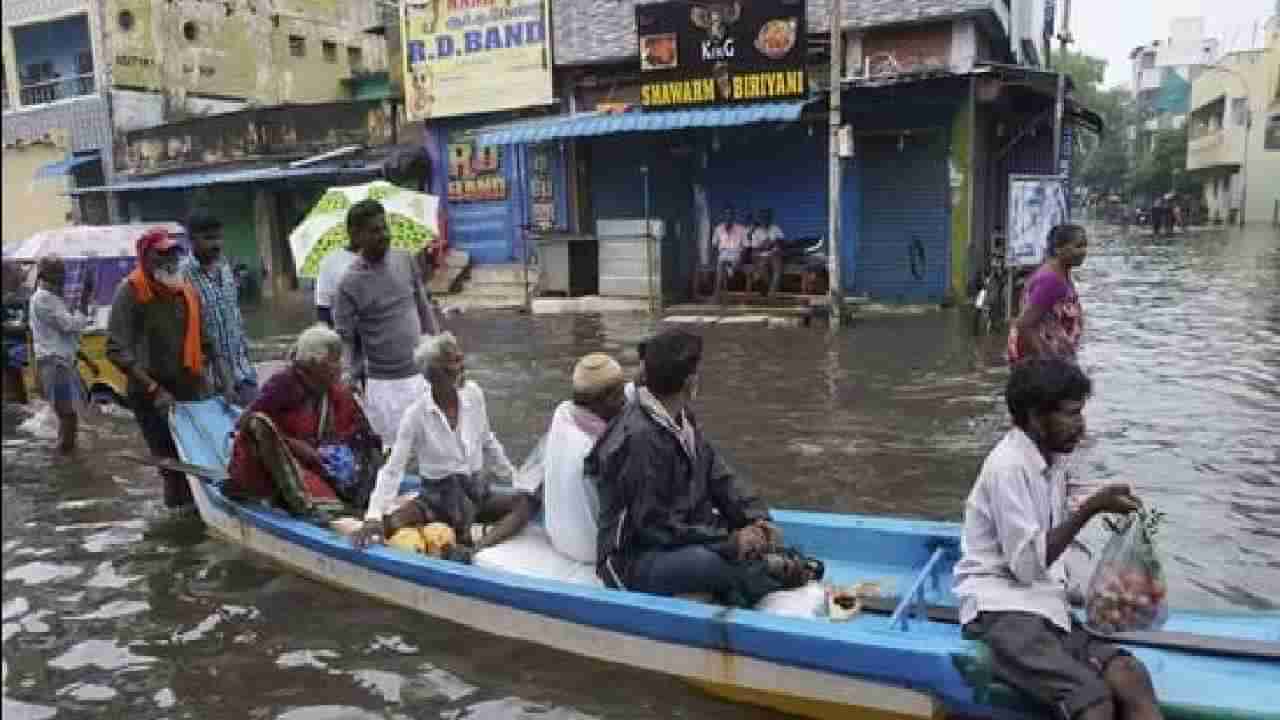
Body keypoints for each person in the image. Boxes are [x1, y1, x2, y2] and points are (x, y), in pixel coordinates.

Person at [954, 359, 1162, 720]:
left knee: (1131, 676)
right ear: (1036, 418)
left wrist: (1102, 502)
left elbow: (1058, 512)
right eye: (1071, 414)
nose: (1080, 426)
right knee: (1092, 700)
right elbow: (1026, 566)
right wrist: (1090, 510)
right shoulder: (1008, 467)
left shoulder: (1051, 460)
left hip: (1045, 606)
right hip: (1003, 612)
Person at [590, 329, 815, 607]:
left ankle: (758, 570)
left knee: (740, 536)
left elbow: (717, 474)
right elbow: (654, 526)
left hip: (675, 533)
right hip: (631, 558)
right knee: (707, 563)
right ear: (690, 382)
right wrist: (730, 542)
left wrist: (754, 518)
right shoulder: (639, 438)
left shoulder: (680, 416)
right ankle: (759, 577)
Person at [351, 332, 517, 553]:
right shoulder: (416, 414)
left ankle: (477, 547)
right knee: (387, 525)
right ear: (432, 375)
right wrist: (373, 517)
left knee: (526, 502)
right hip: (438, 501)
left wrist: (516, 479)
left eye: (460, 360)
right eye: (451, 364)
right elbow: (393, 470)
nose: (460, 368)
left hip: (477, 494)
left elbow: (488, 441)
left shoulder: (474, 394)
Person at [479, 352, 629, 563]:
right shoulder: (594, 448)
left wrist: (480, 545)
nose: (624, 401)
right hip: (594, 549)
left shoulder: (565, 419)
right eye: (619, 395)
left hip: (560, 539)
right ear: (604, 400)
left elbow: (528, 502)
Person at [227, 324, 382, 523]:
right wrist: (295, 446)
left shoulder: (334, 391)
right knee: (259, 423)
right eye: (333, 360)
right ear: (313, 363)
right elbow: (249, 423)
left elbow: (358, 430)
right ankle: (308, 506)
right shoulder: (283, 385)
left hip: (317, 463)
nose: (340, 365)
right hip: (278, 469)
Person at [107, 228, 213, 511]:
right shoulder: (130, 292)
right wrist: (154, 389)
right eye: (161, 253)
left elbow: (205, 343)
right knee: (170, 466)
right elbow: (116, 350)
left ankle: (199, 515)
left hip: (188, 386)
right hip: (149, 391)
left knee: (199, 459)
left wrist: (218, 383)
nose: (168, 259)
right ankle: (177, 522)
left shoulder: (186, 291)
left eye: (173, 252)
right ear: (145, 257)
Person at [334, 200, 442, 443]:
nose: (383, 235)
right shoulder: (348, 284)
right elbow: (345, 339)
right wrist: (347, 377)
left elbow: (423, 307)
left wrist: (440, 348)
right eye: (374, 230)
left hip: (421, 376)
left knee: (435, 449)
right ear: (356, 235)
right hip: (385, 385)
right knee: (394, 459)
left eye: (385, 228)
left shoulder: (405, 259)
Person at [182, 212, 258, 407]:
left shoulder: (225, 268)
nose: (216, 244)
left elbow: (235, 318)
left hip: (242, 372)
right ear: (192, 240)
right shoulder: (182, 277)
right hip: (208, 380)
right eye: (208, 238)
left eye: (218, 237)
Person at [28, 256, 97, 452]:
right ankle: (64, 462)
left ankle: (65, 458)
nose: (63, 277)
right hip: (54, 364)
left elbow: (68, 338)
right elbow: (70, 326)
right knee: (68, 416)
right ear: (44, 275)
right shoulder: (43, 299)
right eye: (57, 273)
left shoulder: (52, 298)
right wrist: (84, 299)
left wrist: (86, 360)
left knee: (70, 417)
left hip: (60, 363)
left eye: (63, 272)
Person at [1008, 224, 1088, 366]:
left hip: (1057, 358)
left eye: (1085, 246)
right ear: (1058, 249)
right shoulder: (1050, 280)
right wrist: (1047, 362)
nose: (1084, 251)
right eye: (1078, 246)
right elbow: (1025, 325)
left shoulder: (1062, 273)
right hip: (1042, 365)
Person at [314, 228, 362, 327]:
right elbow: (323, 307)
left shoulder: (388, 261)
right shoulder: (331, 261)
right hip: (344, 333)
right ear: (352, 232)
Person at [2, 261, 32, 404]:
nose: (22, 273)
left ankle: (20, 404)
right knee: (11, 379)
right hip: (7, 346)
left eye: (20, 270)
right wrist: (21, 326)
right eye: (17, 270)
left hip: (22, 345)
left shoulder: (26, 293)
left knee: (20, 381)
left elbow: (30, 319)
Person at [712, 207, 749, 301]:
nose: (728, 216)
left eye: (730, 214)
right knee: (721, 262)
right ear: (723, 215)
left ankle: (730, 270)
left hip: (736, 252)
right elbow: (714, 245)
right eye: (726, 214)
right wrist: (716, 256)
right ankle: (717, 293)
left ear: (733, 215)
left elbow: (746, 246)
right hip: (723, 253)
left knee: (728, 261)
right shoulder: (718, 228)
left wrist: (741, 256)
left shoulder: (741, 228)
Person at [748, 209, 785, 296]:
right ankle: (769, 290)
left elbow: (782, 242)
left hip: (775, 254)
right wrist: (763, 246)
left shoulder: (776, 228)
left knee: (778, 268)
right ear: (760, 219)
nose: (765, 219)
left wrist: (773, 243)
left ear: (770, 218)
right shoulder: (756, 231)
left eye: (767, 217)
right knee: (762, 268)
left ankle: (771, 293)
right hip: (761, 257)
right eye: (763, 217)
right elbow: (754, 250)